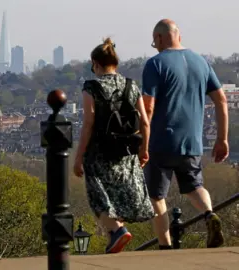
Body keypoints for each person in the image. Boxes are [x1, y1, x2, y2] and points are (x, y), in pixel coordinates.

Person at [142, 19, 229, 249]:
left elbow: (148, 107)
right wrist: (222, 138)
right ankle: (209, 214)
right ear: (178, 36)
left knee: (157, 197)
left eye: (155, 42)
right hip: (192, 140)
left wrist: (142, 140)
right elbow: (221, 99)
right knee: (194, 187)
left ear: (160, 38)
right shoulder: (201, 62)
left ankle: (165, 247)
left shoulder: (155, 64)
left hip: (160, 141)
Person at [74, 37, 155, 254]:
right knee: (120, 192)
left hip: (99, 152)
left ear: (95, 63)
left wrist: (78, 156)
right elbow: (145, 122)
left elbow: (89, 123)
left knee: (98, 195)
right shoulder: (131, 85)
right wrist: (144, 149)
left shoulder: (91, 87)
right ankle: (115, 234)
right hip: (126, 150)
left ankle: (117, 231)